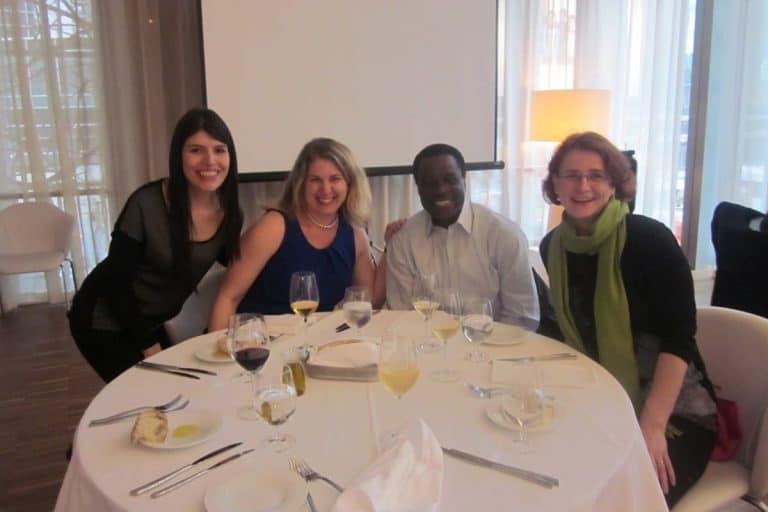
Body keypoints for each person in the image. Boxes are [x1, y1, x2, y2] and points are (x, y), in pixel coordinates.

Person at [539, 131, 717, 506]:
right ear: (555, 183)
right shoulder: (553, 247)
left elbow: (680, 338)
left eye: (596, 175)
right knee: (545, 473)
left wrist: (651, 426)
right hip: (600, 399)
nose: (583, 186)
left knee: (617, 497)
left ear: (615, 183)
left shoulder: (650, 240)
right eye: (571, 175)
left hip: (674, 412)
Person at [68, 108, 243, 382]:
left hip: (154, 321)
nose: (210, 161)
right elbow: (116, 286)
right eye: (196, 150)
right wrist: (149, 346)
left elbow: (229, 275)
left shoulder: (230, 213)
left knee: (183, 388)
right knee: (147, 395)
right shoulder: (146, 204)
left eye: (219, 150)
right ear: (178, 156)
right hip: (103, 319)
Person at [208, 137, 376, 330]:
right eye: (315, 180)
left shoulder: (355, 234)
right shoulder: (274, 226)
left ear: (350, 183)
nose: (326, 189)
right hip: (259, 340)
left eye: (335, 179)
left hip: (318, 342)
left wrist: (391, 245)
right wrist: (221, 345)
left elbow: (368, 300)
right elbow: (228, 297)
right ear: (300, 184)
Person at [385, 143, 539, 329]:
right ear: (418, 189)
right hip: (427, 343)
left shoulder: (504, 235)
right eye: (430, 183)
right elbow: (402, 313)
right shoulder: (403, 240)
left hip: (491, 342)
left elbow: (521, 316)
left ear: (464, 180)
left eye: (450, 180)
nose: (441, 190)